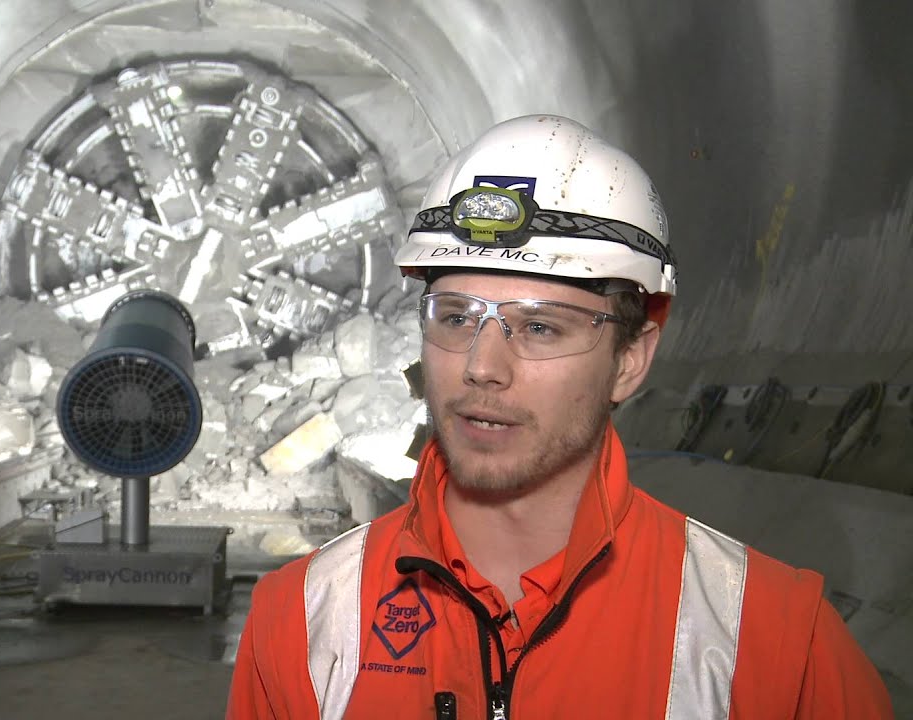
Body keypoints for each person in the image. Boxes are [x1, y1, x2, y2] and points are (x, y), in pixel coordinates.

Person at [225, 114, 893, 719]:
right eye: (456, 316)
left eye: (540, 328)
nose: (483, 365)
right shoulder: (303, 620)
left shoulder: (771, 646)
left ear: (630, 359)